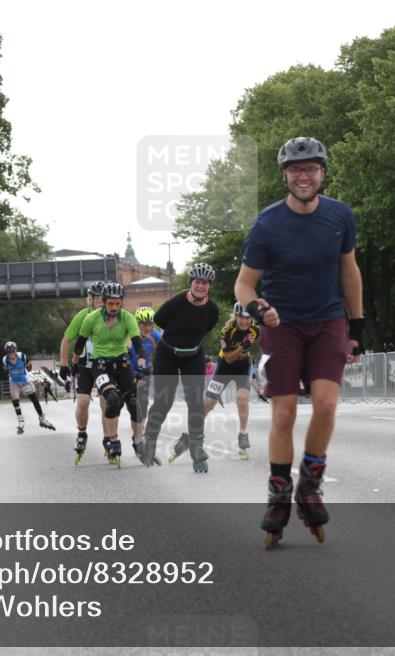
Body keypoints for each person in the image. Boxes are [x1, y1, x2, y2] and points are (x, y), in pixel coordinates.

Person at [234, 136, 364, 549]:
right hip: (281, 326)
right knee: (285, 414)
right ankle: (278, 497)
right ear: (285, 176)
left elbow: (349, 271)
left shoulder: (340, 216)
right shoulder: (268, 224)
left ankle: (310, 484)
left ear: (323, 173)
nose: (303, 176)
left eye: (311, 169)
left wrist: (357, 326)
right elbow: (243, 283)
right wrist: (258, 309)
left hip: (328, 321)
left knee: (326, 405)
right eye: (295, 170)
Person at [139, 263, 220, 472]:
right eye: (197, 282)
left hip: (193, 356)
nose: (201, 286)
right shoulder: (176, 303)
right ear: (191, 283)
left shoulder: (212, 310)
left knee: (195, 403)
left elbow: (207, 327)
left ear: (209, 286)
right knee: (163, 401)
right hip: (168, 355)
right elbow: (159, 320)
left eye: (205, 283)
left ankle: (196, 449)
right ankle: (149, 442)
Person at [173, 302, 259, 462]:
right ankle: (190, 435)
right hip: (224, 366)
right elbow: (229, 358)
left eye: (248, 318)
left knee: (242, 399)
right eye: (241, 318)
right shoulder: (226, 331)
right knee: (208, 403)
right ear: (235, 316)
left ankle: (243, 435)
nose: (244, 322)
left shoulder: (255, 330)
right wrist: (242, 349)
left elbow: (243, 355)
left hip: (242, 367)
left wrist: (243, 350)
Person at [73, 282, 145, 466]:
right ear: (104, 302)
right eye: (111, 303)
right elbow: (79, 344)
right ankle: (112, 439)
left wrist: (142, 364)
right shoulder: (91, 319)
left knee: (135, 405)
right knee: (113, 399)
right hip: (101, 366)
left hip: (122, 364)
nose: (114, 308)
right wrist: (74, 365)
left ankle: (138, 442)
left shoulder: (127, 318)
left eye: (117, 304)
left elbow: (137, 342)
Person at [59, 281, 108, 461]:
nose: (100, 302)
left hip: (104, 366)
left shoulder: (112, 315)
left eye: (102, 299)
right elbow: (66, 340)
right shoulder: (83, 316)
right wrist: (64, 364)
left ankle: (108, 437)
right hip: (84, 366)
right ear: (90, 299)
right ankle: (81, 433)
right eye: (96, 298)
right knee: (83, 402)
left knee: (107, 402)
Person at [130, 306, 162, 464]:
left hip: (146, 373)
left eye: (150, 324)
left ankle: (138, 441)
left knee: (141, 407)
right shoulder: (129, 335)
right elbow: (123, 357)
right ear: (137, 323)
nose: (147, 327)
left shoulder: (155, 335)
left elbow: (164, 352)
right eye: (143, 324)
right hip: (129, 373)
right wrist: (133, 376)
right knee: (133, 407)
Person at [2, 341, 55, 434]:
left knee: (34, 398)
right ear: (7, 353)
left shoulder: (22, 356)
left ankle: (42, 419)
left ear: (15, 350)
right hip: (14, 381)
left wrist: (26, 367)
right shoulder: (5, 359)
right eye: (9, 352)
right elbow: (6, 369)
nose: (11, 354)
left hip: (25, 380)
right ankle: (20, 420)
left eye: (13, 352)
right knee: (15, 400)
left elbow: (29, 367)